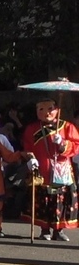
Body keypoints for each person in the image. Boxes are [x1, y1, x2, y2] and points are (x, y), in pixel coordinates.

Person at [21, 98, 79, 241]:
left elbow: (76, 145)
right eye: (41, 109)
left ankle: (59, 230)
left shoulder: (67, 127)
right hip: (42, 169)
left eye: (50, 109)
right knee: (42, 200)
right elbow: (27, 147)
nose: (46, 113)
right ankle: (44, 229)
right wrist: (30, 158)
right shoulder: (32, 128)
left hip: (61, 170)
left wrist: (63, 144)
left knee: (60, 200)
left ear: (57, 110)